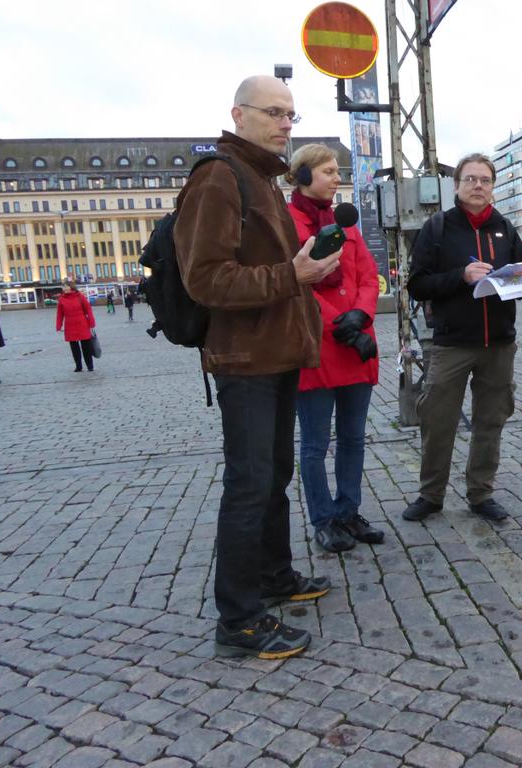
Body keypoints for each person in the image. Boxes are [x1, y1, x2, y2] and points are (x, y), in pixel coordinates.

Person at [174, 75, 342, 659]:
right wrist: (290, 275)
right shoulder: (218, 176)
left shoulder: (264, 179)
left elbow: (279, 267)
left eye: (290, 115)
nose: (284, 123)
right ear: (238, 115)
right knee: (249, 485)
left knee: (273, 476)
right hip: (243, 360)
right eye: (272, 112)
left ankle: (274, 577)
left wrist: (307, 270)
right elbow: (205, 278)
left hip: (276, 353)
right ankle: (239, 620)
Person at [401, 153, 522, 523]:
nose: (478, 186)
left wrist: (521, 280)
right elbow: (417, 284)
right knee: (438, 422)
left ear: (493, 186)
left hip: (499, 343)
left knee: (491, 421)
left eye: (485, 180)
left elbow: (520, 277)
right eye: (470, 179)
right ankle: (430, 494)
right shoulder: (438, 227)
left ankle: (481, 493)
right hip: (452, 343)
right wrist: (462, 276)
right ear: (456, 186)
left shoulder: (505, 227)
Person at [285, 143, 384, 554]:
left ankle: (348, 512)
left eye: (336, 170)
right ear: (304, 176)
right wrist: (338, 325)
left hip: (356, 344)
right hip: (316, 349)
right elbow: (295, 285)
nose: (335, 177)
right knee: (314, 444)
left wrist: (361, 315)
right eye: (327, 171)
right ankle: (323, 520)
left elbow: (367, 274)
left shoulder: (346, 222)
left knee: (353, 438)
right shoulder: (286, 223)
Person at [55, 277, 96, 372]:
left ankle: (90, 365)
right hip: (70, 325)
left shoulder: (80, 297)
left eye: (65, 286)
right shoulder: (61, 300)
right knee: (74, 348)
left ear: (71, 287)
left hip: (82, 324)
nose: (64, 288)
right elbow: (60, 314)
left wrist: (91, 321)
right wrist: (59, 325)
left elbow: (88, 309)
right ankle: (78, 366)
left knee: (86, 347)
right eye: (63, 287)